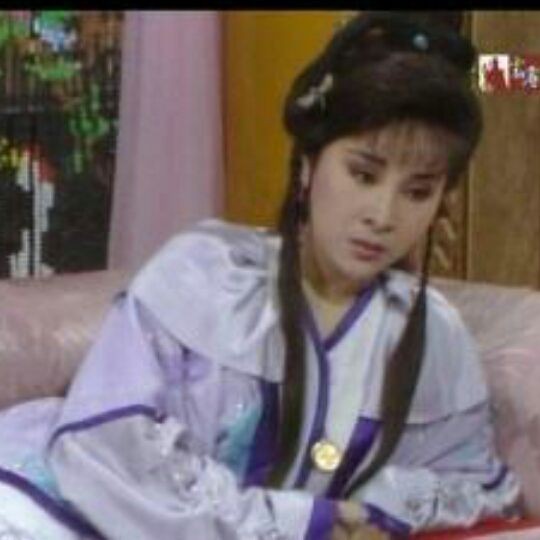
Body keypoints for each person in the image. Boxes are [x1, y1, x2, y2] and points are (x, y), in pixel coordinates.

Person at [0, 10, 521, 540]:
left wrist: (373, 508)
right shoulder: (205, 272)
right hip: (52, 508)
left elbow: (477, 487)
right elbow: (106, 453)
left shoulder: (431, 334)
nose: (383, 215)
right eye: (363, 174)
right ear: (308, 165)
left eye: (418, 191)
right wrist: (305, 521)